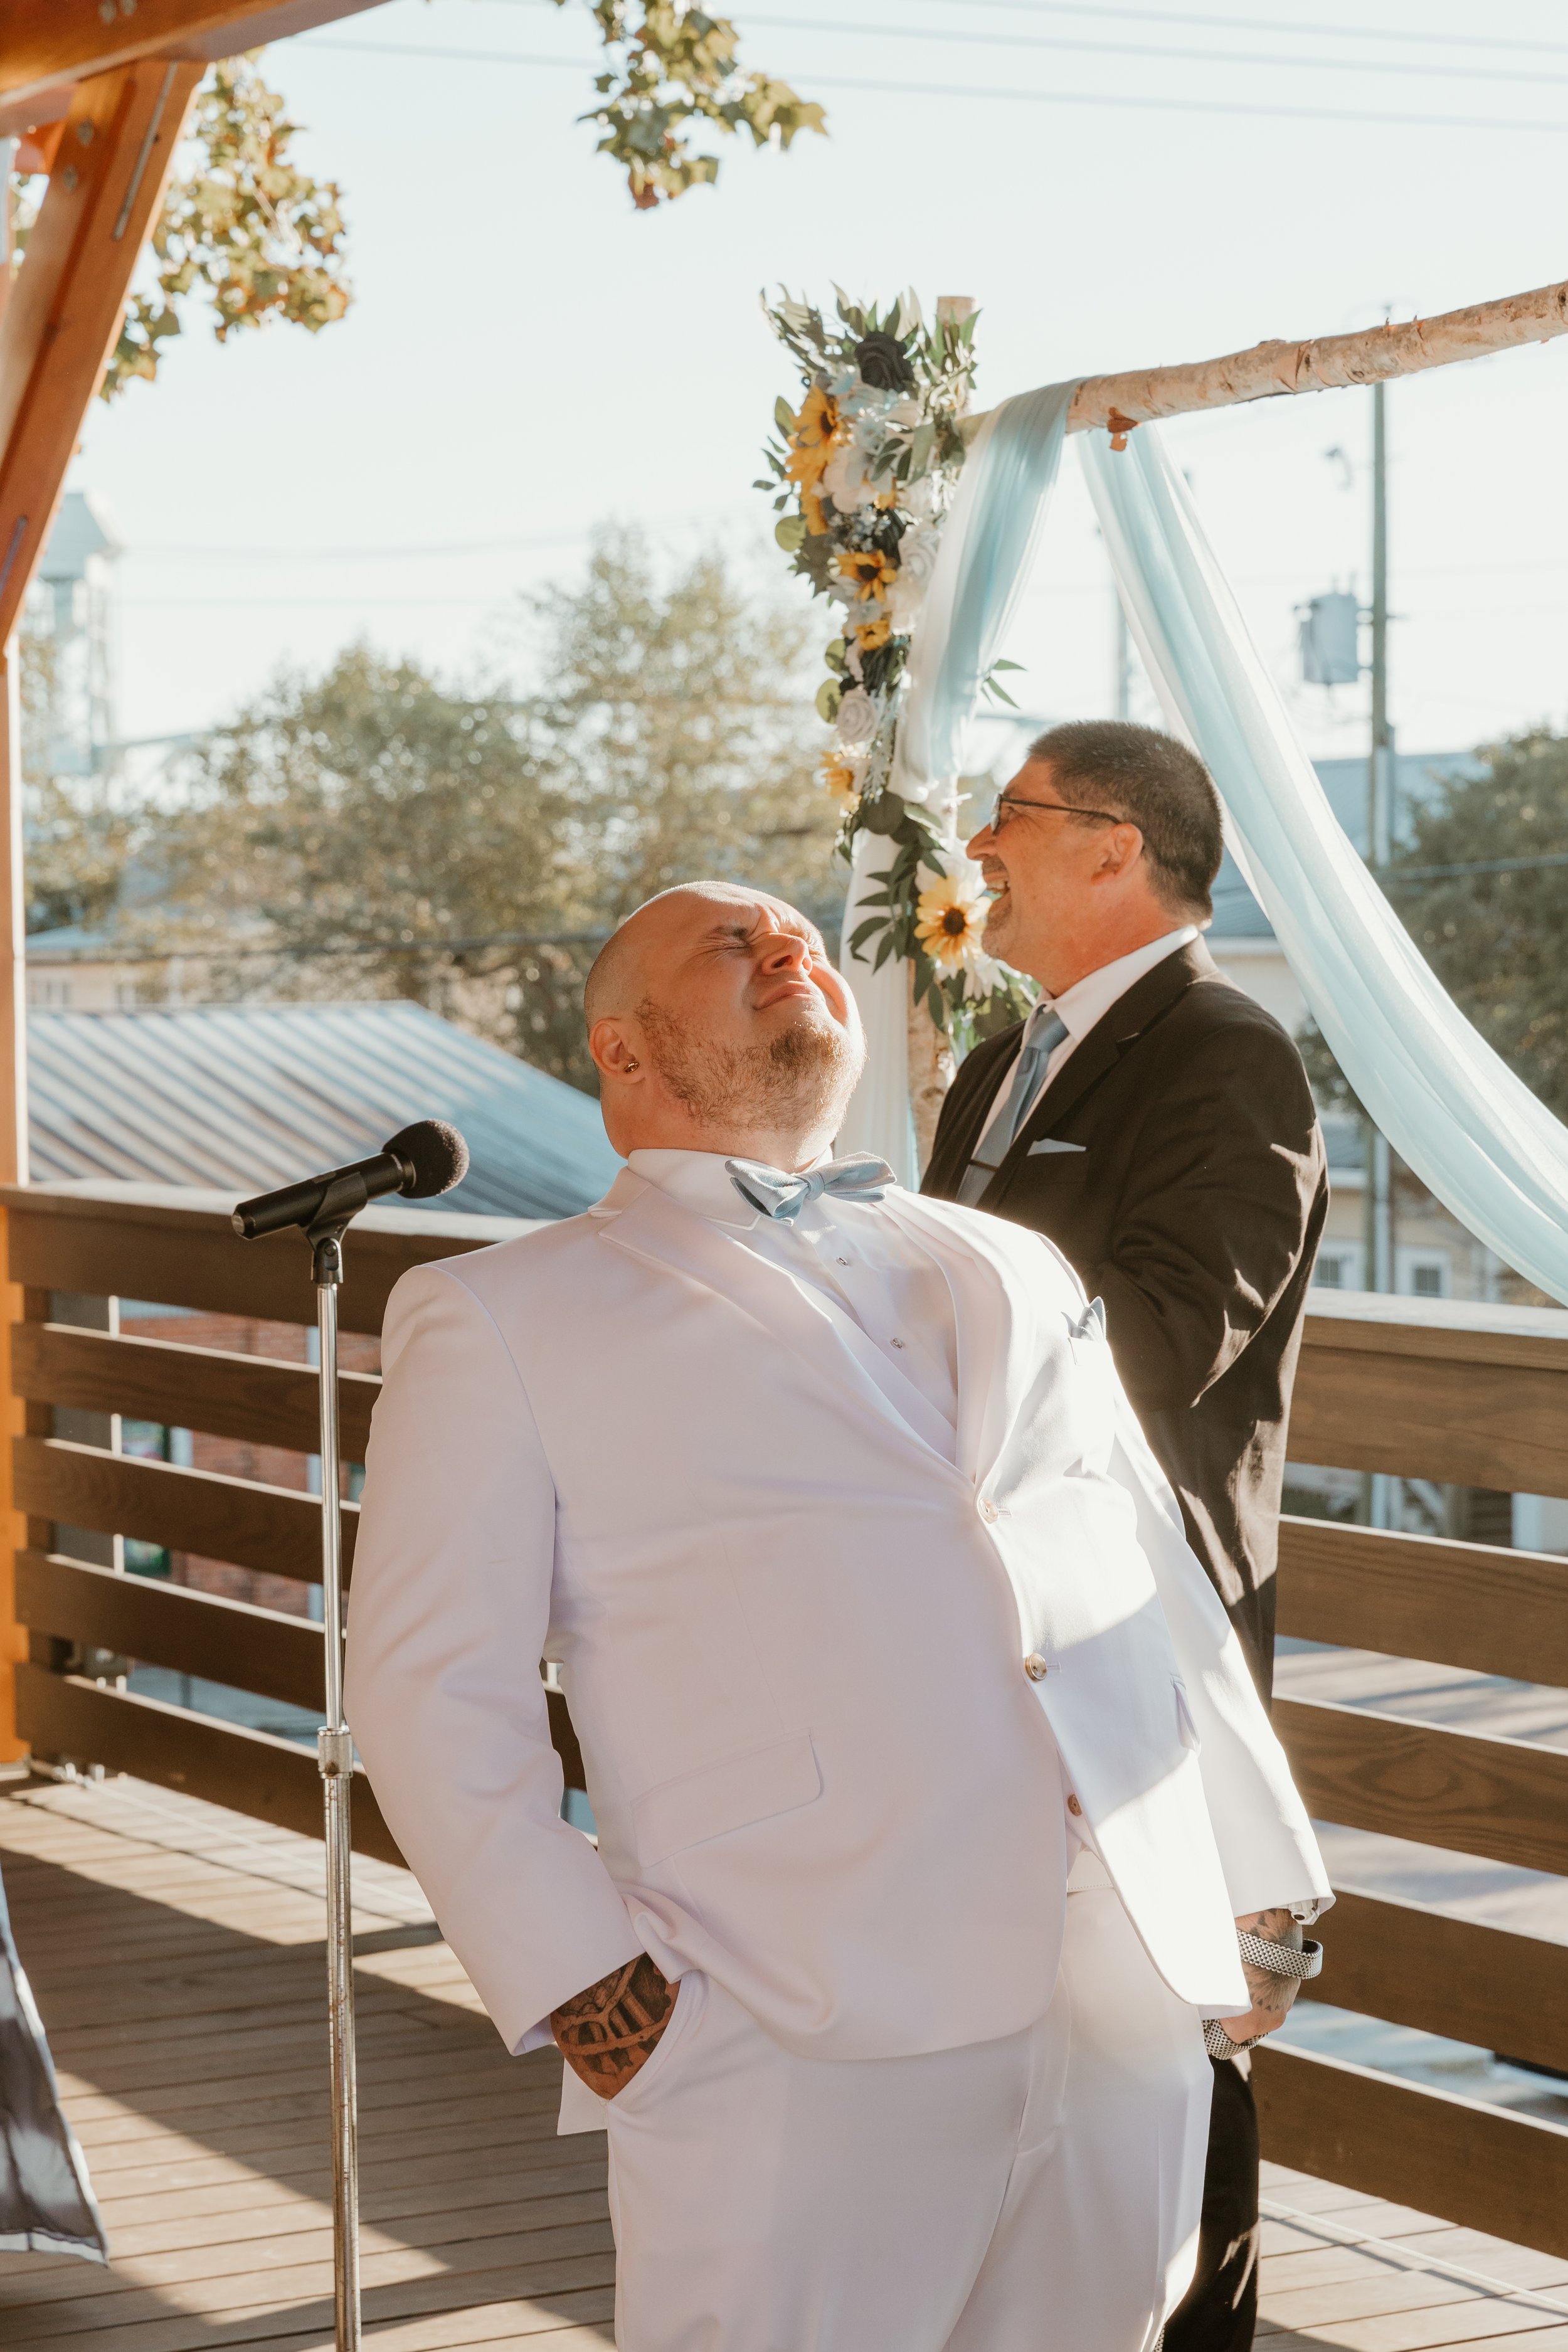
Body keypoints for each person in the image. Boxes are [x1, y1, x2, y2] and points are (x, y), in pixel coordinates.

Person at [346, 881, 1330, 2352]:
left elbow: (1143, 1562)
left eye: (797, 935)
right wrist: (600, 2001)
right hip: (787, 2022)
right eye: (728, 941)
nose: (786, 944)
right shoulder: (497, 1313)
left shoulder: (1013, 1260)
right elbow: (429, 1689)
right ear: (621, 1046)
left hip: (1120, 1998)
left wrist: (1256, 1874)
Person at [923, 721, 1330, 2352]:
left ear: (1115, 845)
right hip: (989, 1621)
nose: (976, 845)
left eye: (1008, 815)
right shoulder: (995, 1061)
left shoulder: (1227, 1055)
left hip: (1141, 1631)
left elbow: (1167, 1340)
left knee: (1174, 2034)